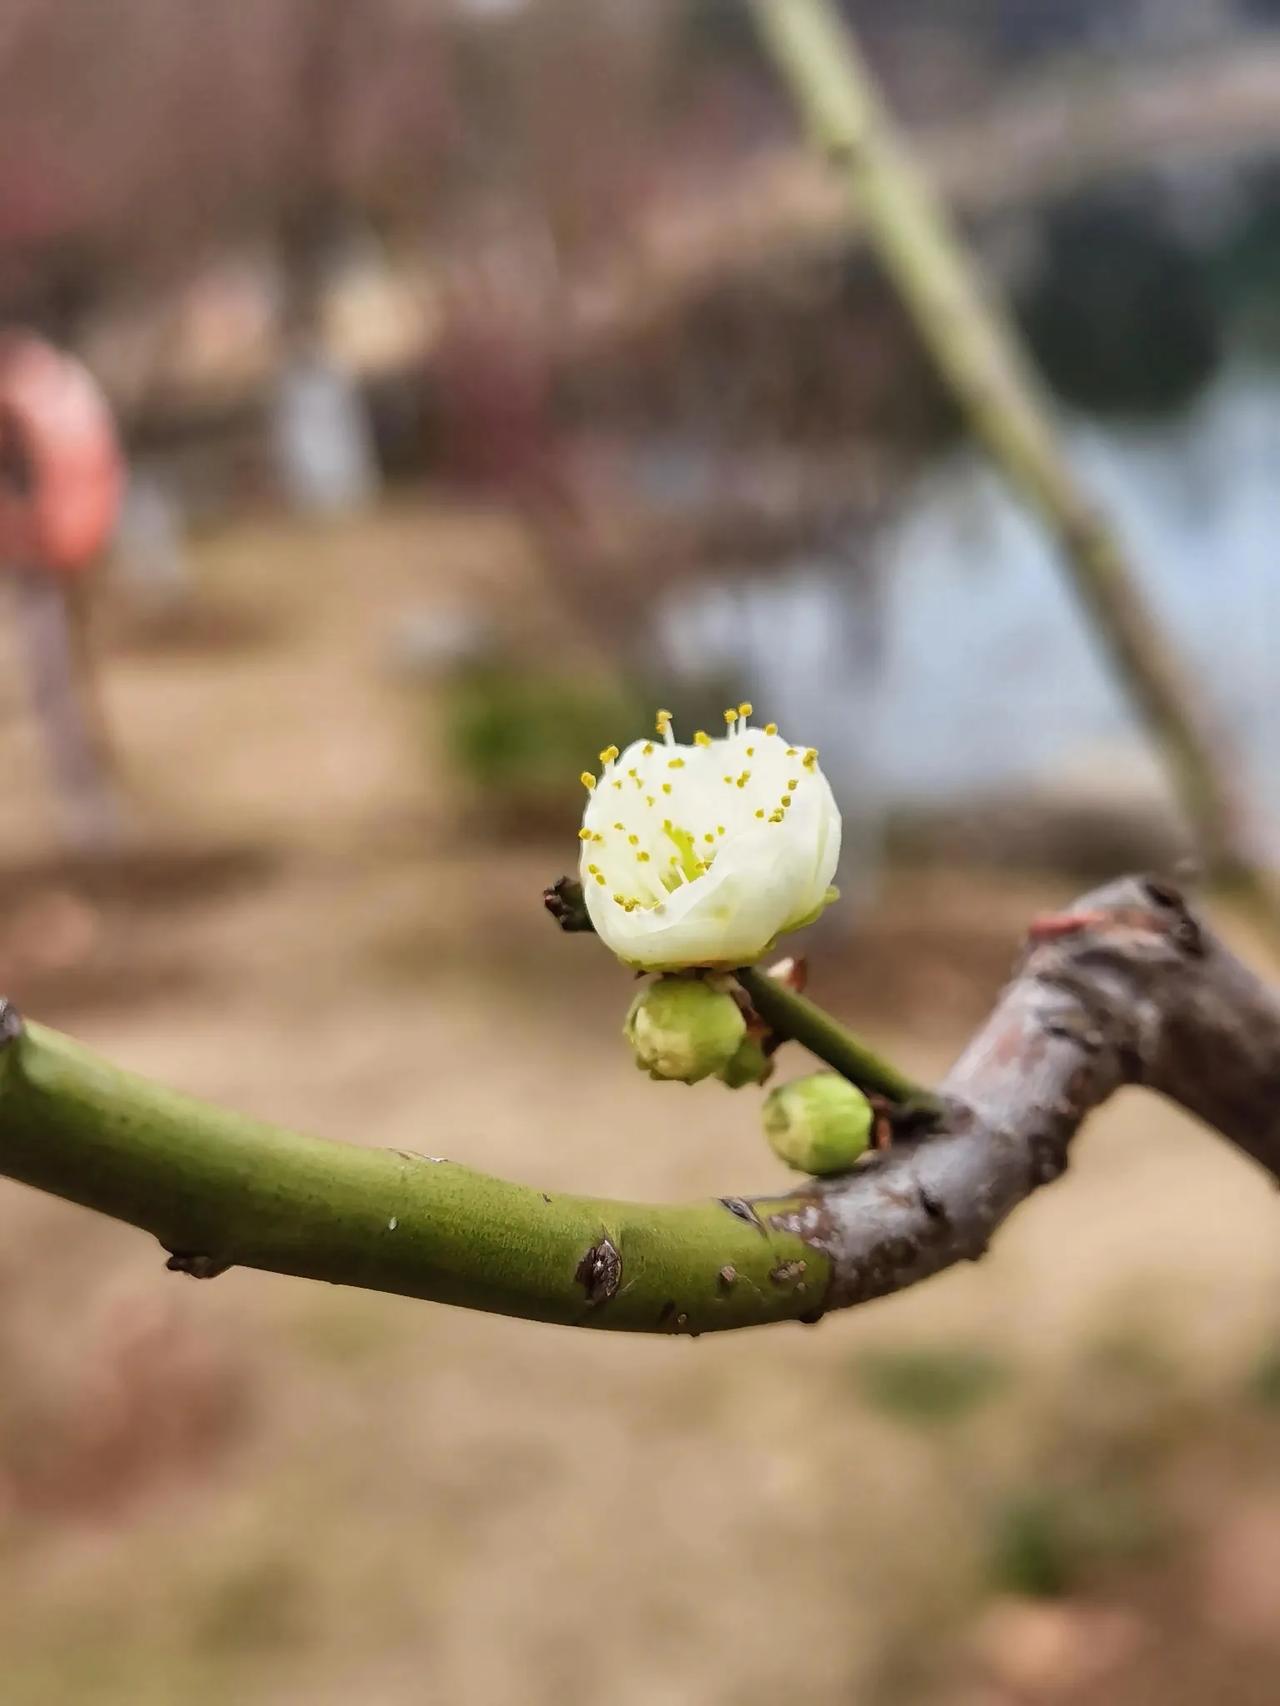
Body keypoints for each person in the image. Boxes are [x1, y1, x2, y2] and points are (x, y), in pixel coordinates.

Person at [0, 331, 125, 850]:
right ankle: (90, 794)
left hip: (39, 551)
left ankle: (86, 804)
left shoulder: (18, 406)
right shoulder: (59, 386)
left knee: (55, 682)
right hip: (70, 543)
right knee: (67, 677)